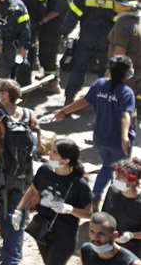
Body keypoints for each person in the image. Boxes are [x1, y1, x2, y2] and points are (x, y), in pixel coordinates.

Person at [19, 137, 95, 265]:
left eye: (53, 153)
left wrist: (70, 209)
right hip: (42, 229)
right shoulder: (44, 171)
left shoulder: (79, 185)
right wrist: (20, 209)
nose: (49, 155)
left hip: (65, 235)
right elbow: (33, 189)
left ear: (66, 160)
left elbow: (89, 213)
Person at [54, 55, 135, 204]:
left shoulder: (99, 84)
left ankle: (95, 196)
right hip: (118, 141)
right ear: (126, 73)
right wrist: (124, 137)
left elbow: (84, 101)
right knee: (120, 173)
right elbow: (125, 116)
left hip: (101, 138)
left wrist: (64, 111)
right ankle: (114, 203)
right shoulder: (126, 92)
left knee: (106, 166)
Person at [0, 78, 40, 265]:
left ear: (5, 95)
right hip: (24, 173)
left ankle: (11, 258)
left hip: (3, 172)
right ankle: (10, 250)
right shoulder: (29, 114)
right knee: (17, 211)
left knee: (6, 213)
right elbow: (36, 142)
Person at [67, 0, 125, 98]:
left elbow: (71, 18)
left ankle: (69, 98)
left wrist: (65, 32)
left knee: (78, 69)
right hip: (107, 42)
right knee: (104, 72)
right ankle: (102, 101)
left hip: (85, 40)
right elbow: (121, 20)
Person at [43, 0, 81, 89]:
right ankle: (48, 77)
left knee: (49, 51)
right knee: (46, 51)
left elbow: (60, 7)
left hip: (55, 22)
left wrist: (43, 20)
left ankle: (53, 82)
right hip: (52, 21)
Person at [108, 159, 141, 240]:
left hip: (131, 248)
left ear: (133, 182)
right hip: (110, 242)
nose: (115, 180)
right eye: (115, 176)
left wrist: (131, 235)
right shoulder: (112, 190)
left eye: (119, 178)